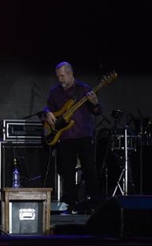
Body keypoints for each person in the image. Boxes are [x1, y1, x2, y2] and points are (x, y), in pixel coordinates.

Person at [43, 61, 102, 213]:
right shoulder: (54, 91)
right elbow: (48, 107)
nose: (60, 79)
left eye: (62, 76)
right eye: (58, 76)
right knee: (66, 171)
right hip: (65, 136)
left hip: (83, 134)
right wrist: (47, 112)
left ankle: (94, 202)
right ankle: (71, 203)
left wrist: (95, 103)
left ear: (70, 74)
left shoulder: (83, 89)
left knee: (89, 168)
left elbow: (97, 111)